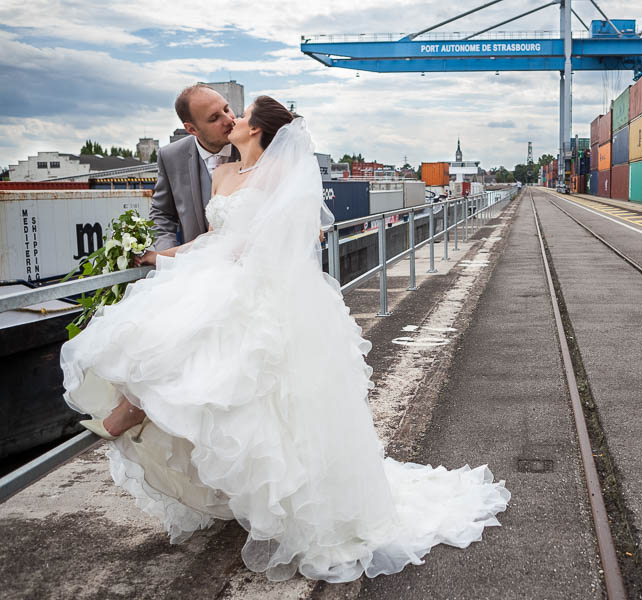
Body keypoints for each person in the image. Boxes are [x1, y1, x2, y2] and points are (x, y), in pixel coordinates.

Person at [59, 96, 510, 583]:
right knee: (166, 345)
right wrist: (159, 257)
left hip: (258, 287)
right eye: (223, 114)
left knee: (259, 394)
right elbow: (212, 239)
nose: (233, 119)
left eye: (241, 114)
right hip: (220, 273)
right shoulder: (223, 175)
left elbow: (276, 241)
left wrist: (249, 252)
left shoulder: (280, 177)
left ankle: (285, 502)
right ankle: (206, 467)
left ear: (256, 132)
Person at [150, 84, 239, 251]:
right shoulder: (171, 156)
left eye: (227, 109)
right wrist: (166, 256)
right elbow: (162, 214)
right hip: (193, 268)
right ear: (191, 129)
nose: (229, 120)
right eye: (214, 118)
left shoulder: (252, 146)